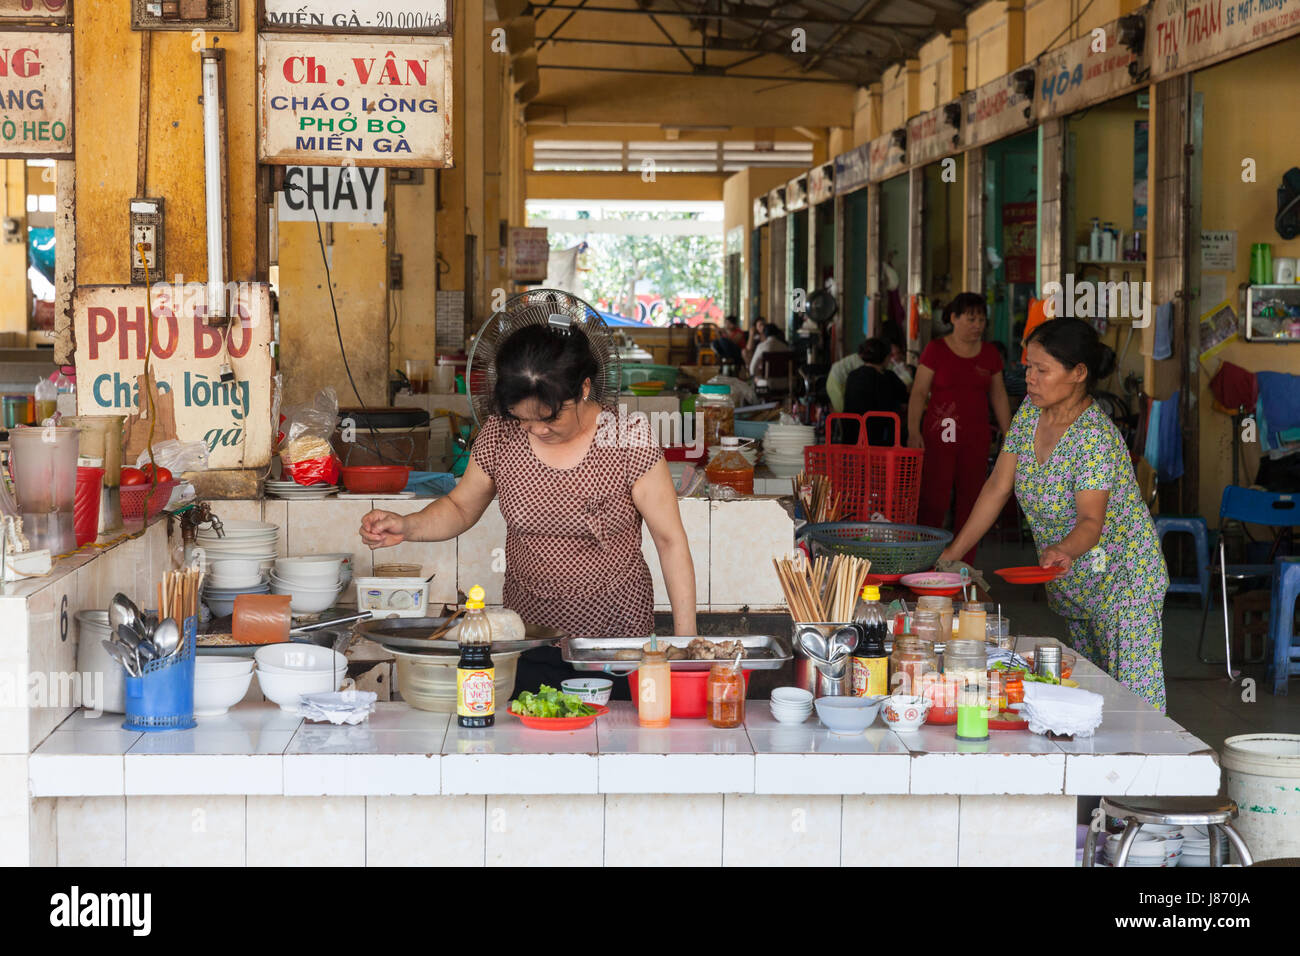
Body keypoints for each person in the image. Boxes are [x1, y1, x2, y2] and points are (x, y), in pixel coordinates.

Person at [359, 323, 698, 694]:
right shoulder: (500, 434)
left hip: (615, 642)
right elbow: (459, 506)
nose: (536, 430)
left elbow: (670, 541)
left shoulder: (627, 437)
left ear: (584, 387)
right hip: (526, 637)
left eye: (550, 418)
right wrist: (407, 526)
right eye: (524, 418)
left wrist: (687, 646)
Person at [938, 318, 1169, 709]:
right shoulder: (1031, 411)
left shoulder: (1093, 437)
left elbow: (1091, 523)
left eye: (1042, 370)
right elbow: (998, 486)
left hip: (1123, 582)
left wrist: (1063, 549)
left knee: (1133, 707)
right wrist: (952, 555)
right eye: (1028, 366)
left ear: (1079, 373)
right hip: (1074, 579)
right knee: (1086, 697)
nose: (1029, 378)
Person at [907, 292, 1011, 562]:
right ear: (954, 318)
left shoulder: (989, 354)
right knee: (934, 499)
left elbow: (998, 395)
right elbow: (919, 392)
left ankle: (964, 564)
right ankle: (924, 558)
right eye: (971, 318)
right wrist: (913, 430)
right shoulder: (936, 350)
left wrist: (1011, 434)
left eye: (981, 319)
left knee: (973, 500)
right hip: (940, 432)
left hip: (976, 435)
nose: (977, 325)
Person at [842, 338, 909, 446]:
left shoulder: (853, 375)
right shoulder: (886, 377)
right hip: (876, 443)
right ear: (886, 357)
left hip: (851, 440)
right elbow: (904, 397)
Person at [825, 343, 865, 413]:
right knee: (842, 410)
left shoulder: (855, 358)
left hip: (835, 380)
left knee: (841, 408)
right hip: (835, 381)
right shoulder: (858, 361)